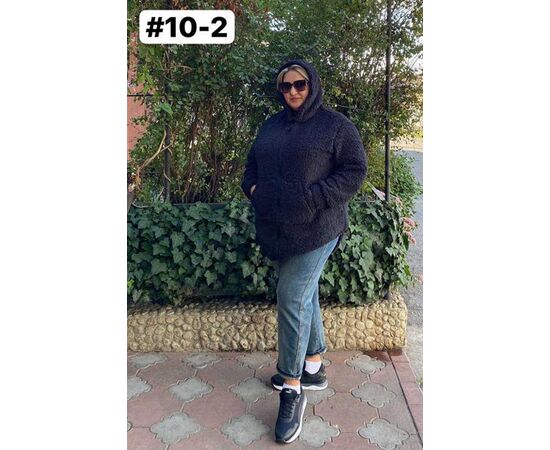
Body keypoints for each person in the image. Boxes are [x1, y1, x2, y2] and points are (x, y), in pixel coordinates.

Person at [241, 58, 368, 444]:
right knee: (304, 292)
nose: (293, 91)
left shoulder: (336, 126)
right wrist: (254, 190)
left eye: (300, 84)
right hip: (279, 227)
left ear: (313, 85)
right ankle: (313, 366)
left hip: (319, 228)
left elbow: (354, 170)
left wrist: (315, 197)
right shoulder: (272, 125)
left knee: (292, 294)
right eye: (286, 86)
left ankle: (292, 387)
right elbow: (252, 165)